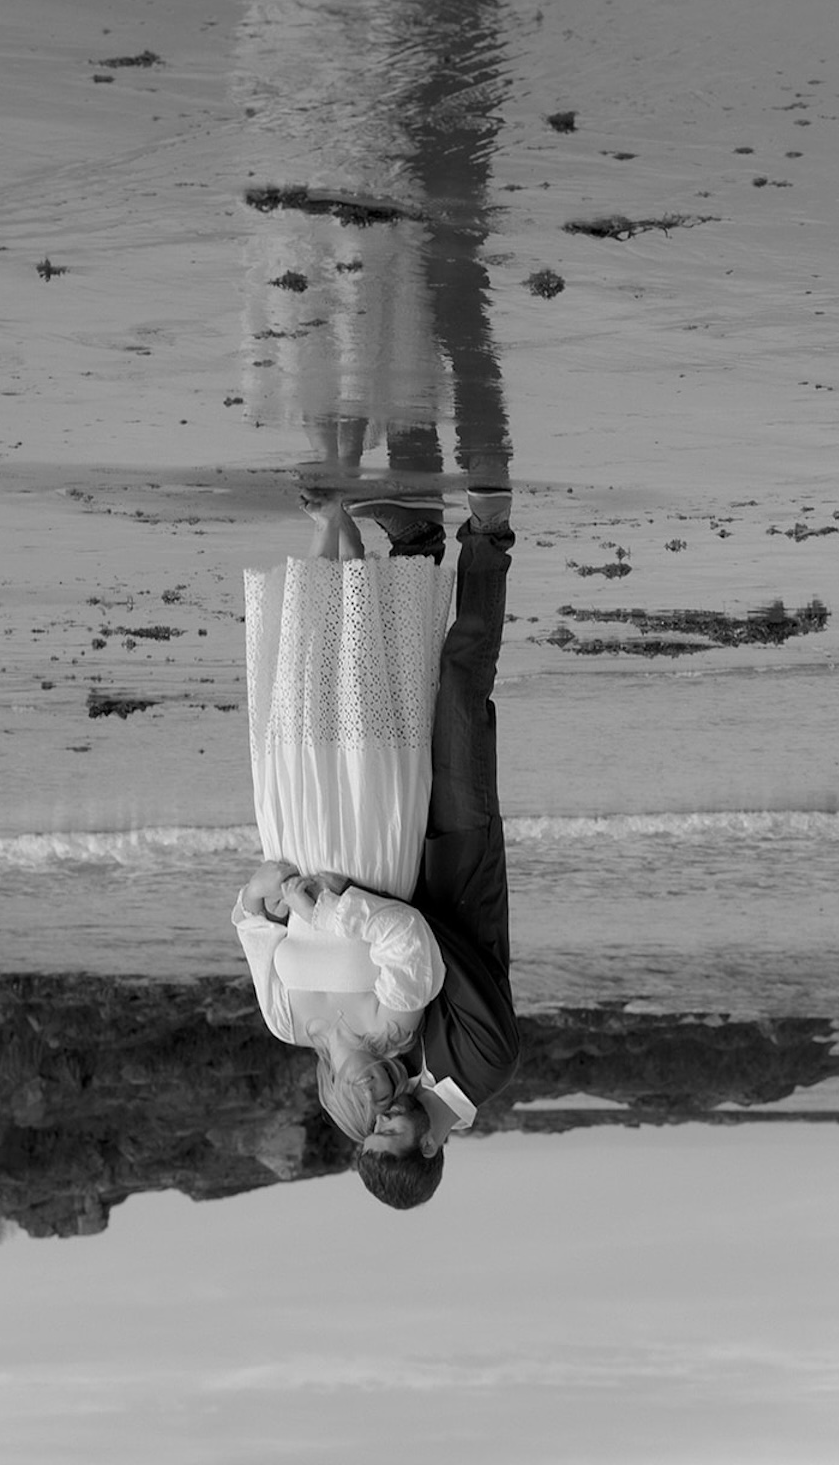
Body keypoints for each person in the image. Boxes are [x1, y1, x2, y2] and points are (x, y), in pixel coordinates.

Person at [232, 488, 456, 1111]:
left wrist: (258, 891)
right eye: (389, 1099)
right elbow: (408, 939)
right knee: (358, 700)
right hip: (366, 849)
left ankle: (328, 532)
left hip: (296, 841)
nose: (375, 1092)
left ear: (335, 1099)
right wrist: (331, 914)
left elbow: (255, 935)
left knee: (301, 694)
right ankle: (349, 543)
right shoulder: (396, 1028)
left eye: (364, 1109)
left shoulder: (286, 1024)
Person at [328, 489, 520, 1209]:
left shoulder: (401, 1067)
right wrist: (354, 904)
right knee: (460, 691)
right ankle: (487, 541)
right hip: (460, 850)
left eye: (368, 1132)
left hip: (402, 859)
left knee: (398, 702)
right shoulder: (486, 1066)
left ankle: (415, 550)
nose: (379, 1118)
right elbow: (437, 949)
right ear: (432, 1145)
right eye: (393, 1134)